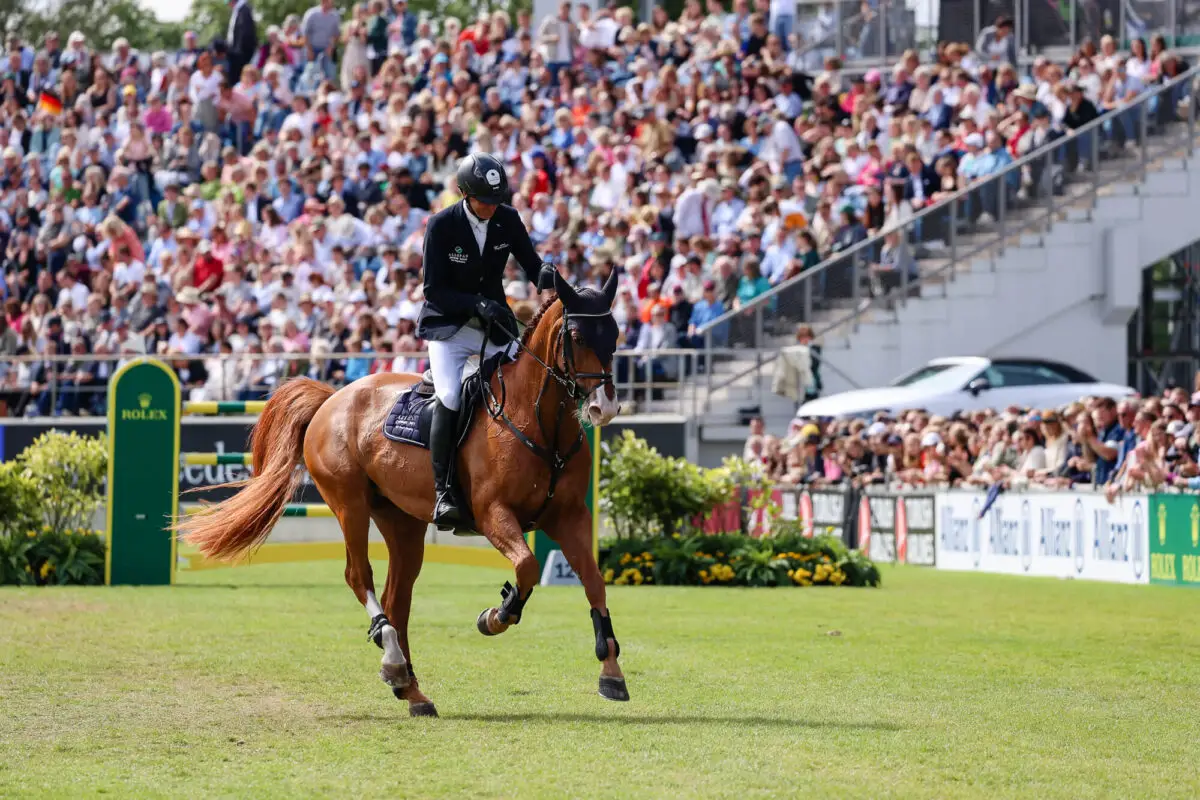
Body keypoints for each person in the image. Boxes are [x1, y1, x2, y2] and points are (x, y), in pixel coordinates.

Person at [417, 154, 555, 527]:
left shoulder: (507, 218)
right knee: (449, 395)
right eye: (484, 201)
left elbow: (530, 262)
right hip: (449, 329)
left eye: (497, 200)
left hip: (494, 326)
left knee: (527, 381)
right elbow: (433, 290)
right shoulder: (442, 225)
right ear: (463, 194)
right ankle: (444, 491)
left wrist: (545, 273)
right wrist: (476, 303)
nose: (492, 207)